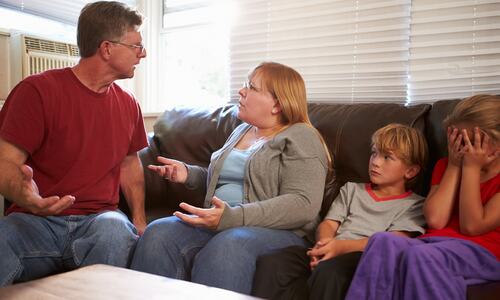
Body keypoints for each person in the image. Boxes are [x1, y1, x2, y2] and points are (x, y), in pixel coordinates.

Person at [130, 62, 331, 294]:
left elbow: (302, 204)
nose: (241, 91)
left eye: (251, 87)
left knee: (229, 245)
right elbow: (228, 183)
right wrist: (189, 175)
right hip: (222, 222)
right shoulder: (242, 130)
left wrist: (233, 217)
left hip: (278, 232)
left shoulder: (301, 136)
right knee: (158, 233)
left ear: (277, 104)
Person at [0, 1, 148, 286]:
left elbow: (130, 165)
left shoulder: (129, 104)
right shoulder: (37, 91)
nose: (143, 54)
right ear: (106, 48)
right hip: (34, 220)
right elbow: (5, 161)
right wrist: (24, 195)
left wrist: (140, 220)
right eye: (136, 46)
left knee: (117, 232)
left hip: (100, 220)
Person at [345, 95, 500, 300]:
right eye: (455, 139)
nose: (460, 147)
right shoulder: (446, 165)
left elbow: (472, 226)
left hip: (484, 254)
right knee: (382, 241)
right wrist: (454, 166)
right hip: (433, 244)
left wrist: (471, 168)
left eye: (469, 141)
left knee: (420, 256)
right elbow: (436, 219)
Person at [252, 123, 429, 300]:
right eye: (374, 153)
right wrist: (324, 244)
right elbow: (329, 223)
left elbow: (393, 242)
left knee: (331, 272)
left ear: (411, 171)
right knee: (273, 262)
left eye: (387, 157)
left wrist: (339, 248)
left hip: (363, 258)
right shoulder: (352, 190)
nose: (375, 161)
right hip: (331, 247)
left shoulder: (414, 205)